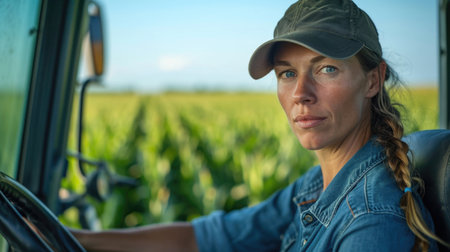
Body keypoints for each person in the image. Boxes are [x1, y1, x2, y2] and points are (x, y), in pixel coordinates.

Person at [72, 0, 447, 251]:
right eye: (287, 73)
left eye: (326, 68)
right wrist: (77, 239)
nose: (301, 93)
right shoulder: (319, 185)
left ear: (373, 80)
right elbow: (212, 237)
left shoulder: (372, 225)